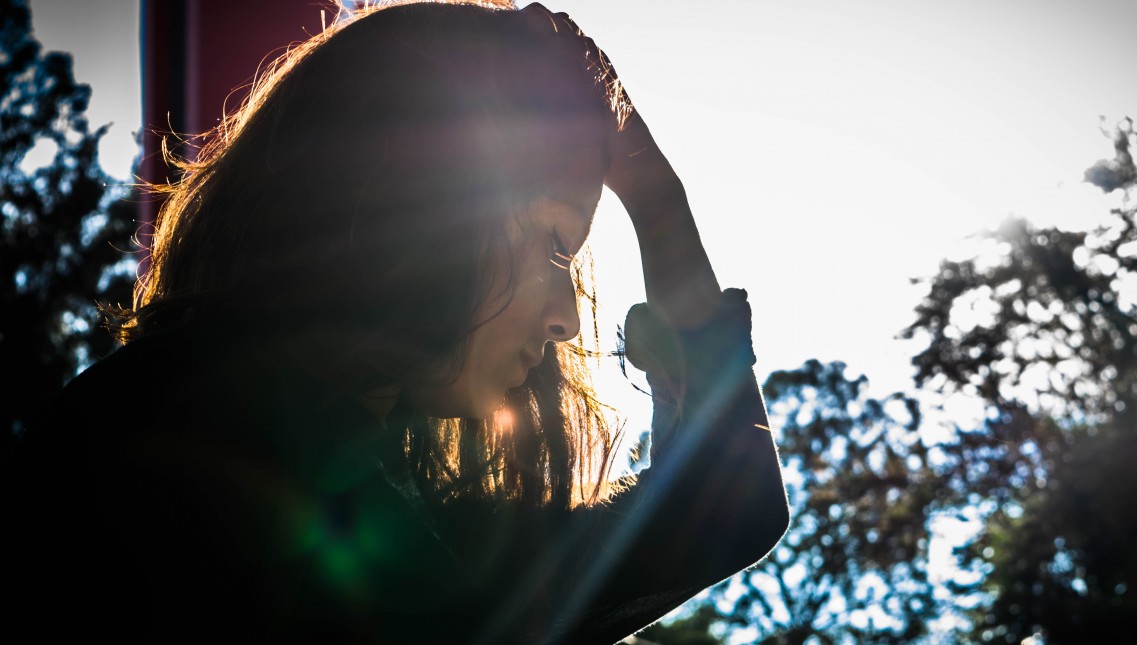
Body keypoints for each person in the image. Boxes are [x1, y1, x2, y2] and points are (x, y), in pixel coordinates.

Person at [5, 1, 789, 642]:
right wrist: (653, 197)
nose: (565, 321)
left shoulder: (391, 502)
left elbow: (728, 511)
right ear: (423, 202)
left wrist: (655, 194)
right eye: (553, 245)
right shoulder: (183, 443)